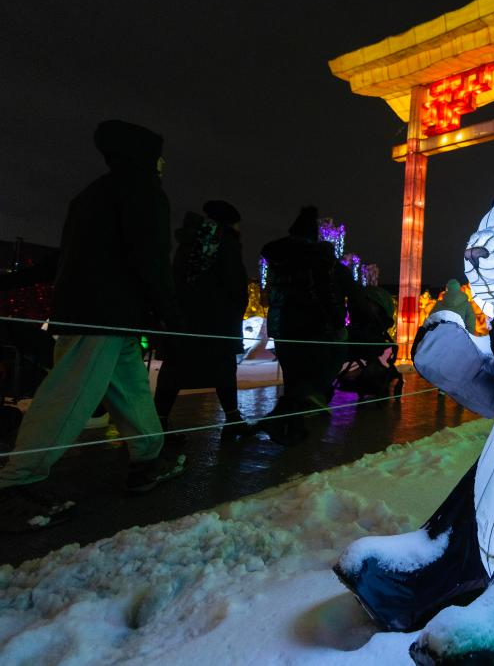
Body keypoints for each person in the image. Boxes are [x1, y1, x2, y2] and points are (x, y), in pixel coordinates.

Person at [0, 120, 186, 533]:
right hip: (104, 315)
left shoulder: (91, 196)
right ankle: (16, 482)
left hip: (98, 313)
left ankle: (148, 457)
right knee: (69, 393)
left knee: (131, 388)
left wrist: (11, 281)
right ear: (144, 157)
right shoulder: (143, 192)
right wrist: (171, 313)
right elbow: (150, 256)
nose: (163, 164)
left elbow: (63, 258)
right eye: (158, 155)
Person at [153, 201, 249, 441]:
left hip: (184, 318)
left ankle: (159, 421)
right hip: (217, 320)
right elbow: (235, 284)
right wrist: (236, 308)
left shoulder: (190, 242)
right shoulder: (225, 243)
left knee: (175, 368)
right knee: (224, 368)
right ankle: (233, 418)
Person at [259, 206, 352, 444]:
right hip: (313, 326)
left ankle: (293, 428)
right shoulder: (317, 258)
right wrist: (336, 318)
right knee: (318, 373)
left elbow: (271, 293)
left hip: (283, 324)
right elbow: (325, 292)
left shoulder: (279, 259)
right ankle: (281, 417)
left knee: (293, 376)